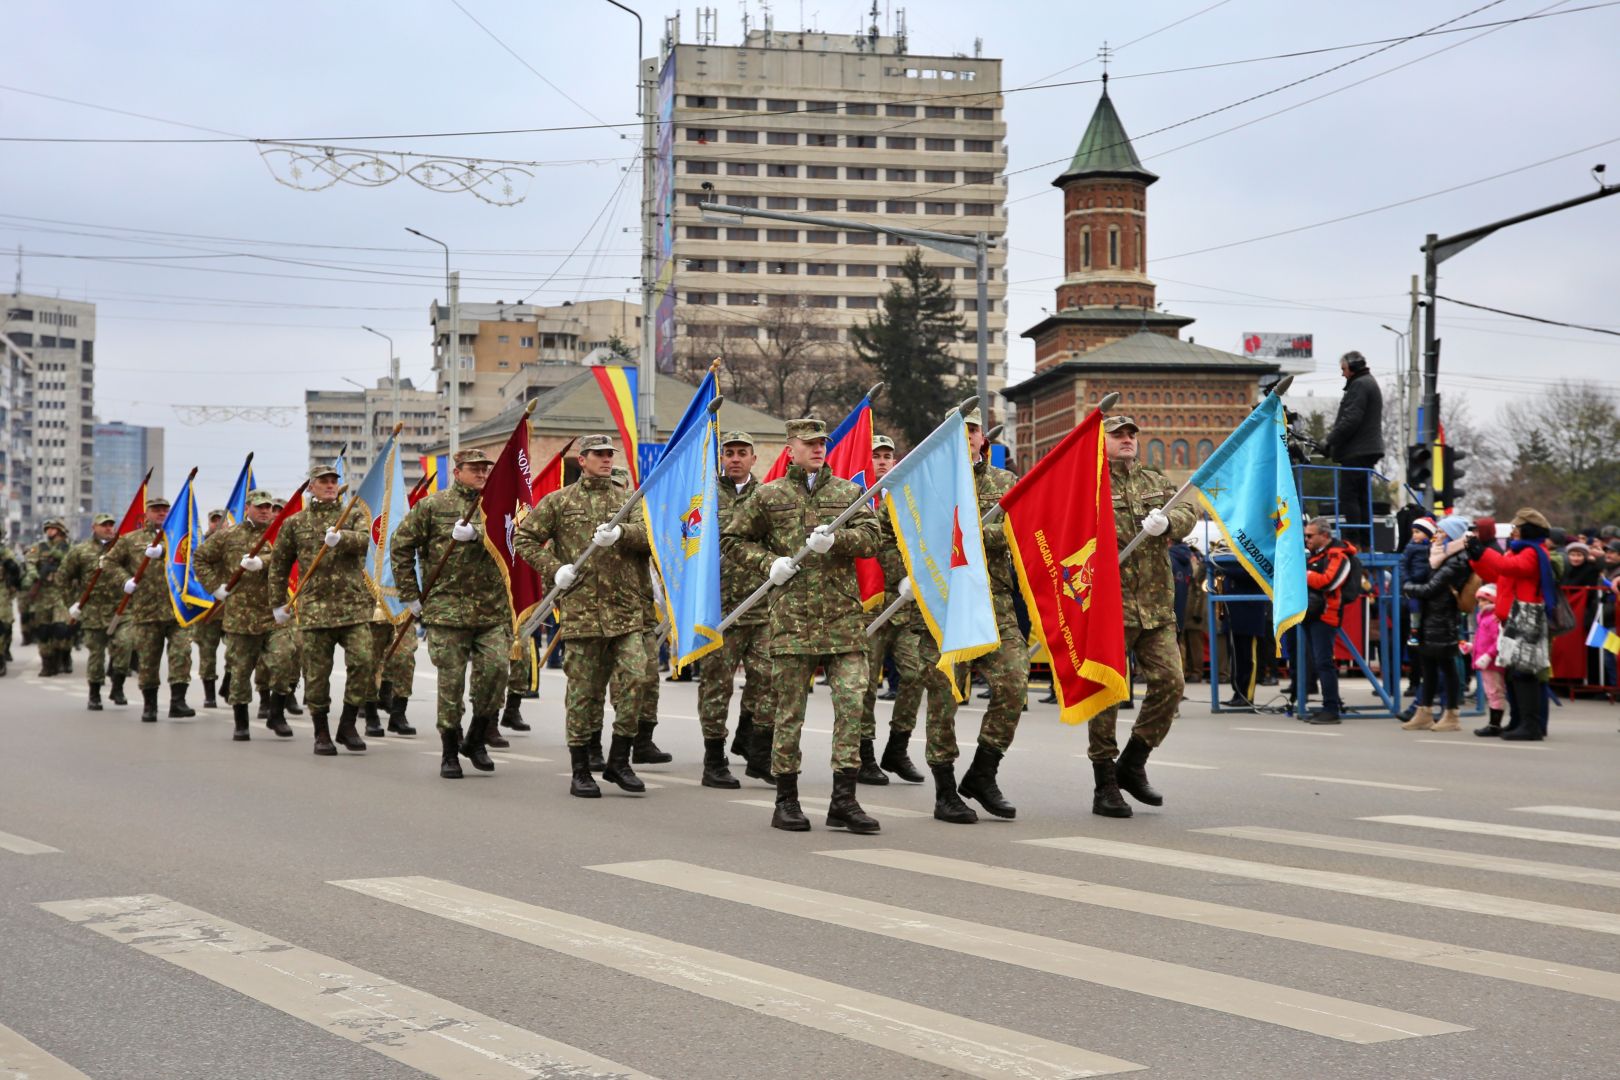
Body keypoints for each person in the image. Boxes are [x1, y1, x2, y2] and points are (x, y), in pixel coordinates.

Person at [722, 417, 883, 833]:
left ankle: (844, 800)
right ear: (789, 449)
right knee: (788, 713)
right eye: (808, 443)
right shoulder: (769, 495)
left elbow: (873, 537)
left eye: (821, 442)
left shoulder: (847, 493)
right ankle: (786, 800)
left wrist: (837, 541)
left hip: (843, 620)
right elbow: (733, 540)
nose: (817, 448)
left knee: (852, 705)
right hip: (792, 620)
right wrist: (768, 563)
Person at [514, 434, 655, 798]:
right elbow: (524, 538)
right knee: (583, 694)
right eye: (598, 454)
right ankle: (580, 769)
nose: (606, 459)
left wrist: (622, 532)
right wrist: (555, 568)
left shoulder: (628, 500)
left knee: (636, 680)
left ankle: (619, 760)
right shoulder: (560, 501)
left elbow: (648, 537)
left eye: (609, 454)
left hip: (626, 612)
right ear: (583, 459)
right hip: (582, 613)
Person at [910, 410, 1027, 824]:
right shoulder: (927, 484)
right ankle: (945, 791)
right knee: (943, 697)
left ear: (983, 439)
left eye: (973, 429)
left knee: (1014, 683)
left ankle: (983, 772)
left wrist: (967, 535)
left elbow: (1018, 530)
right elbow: (905, 532)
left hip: (994, 603)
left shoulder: (1005, 483)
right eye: (959, 431)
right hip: (945, 605)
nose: (967, 436)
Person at [1087, 415, 1200, 818]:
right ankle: (1104, 782)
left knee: (1171, 682)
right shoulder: (1090, 484)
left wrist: (1169, 522)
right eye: (1117, 434)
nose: (1127, 439)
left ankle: (1133, 762)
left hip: (1155, 607)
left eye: (1131, 434)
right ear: (1101, 442)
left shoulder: (1154, 480)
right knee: (1108, 695)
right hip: (1109, 607)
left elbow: (1188, 510)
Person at [392, 448, 511, 779]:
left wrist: (479, 535)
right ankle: (449, 750)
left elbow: (515, 541)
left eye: (485, 469)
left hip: (491, 608)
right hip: (446, 609)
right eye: (475, 469)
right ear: (457, 472)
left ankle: (476, 738)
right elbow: (400, 545)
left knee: (496, 671)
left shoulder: (499, 505)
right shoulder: (433, 506)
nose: (482, 474)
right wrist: (410, 595)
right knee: (451, 683)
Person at [269, 464, 376, 756]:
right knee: (316, 674)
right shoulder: (295, 523)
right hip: (315, 608)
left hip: (353, 606)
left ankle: (348, 724)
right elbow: (279, 564)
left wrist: (343, 539)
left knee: (364, 661)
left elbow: (367, 541)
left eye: (333, 481)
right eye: (323, 481)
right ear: (311, 487)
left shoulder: (352, 514)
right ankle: (321, 732)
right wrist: (277, 603)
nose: (330, 485)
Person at [193, 489, 295, 741]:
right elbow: (201, 557)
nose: (265, 511)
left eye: (268, 507)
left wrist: (264, 561)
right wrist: (214, 587)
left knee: (284, 661)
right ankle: (241, 722)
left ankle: (276, 714)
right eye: (259, 506)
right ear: (247, 507)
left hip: (274, 613)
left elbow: (292, 558)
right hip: (241, 616)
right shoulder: (228, 535)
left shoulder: (281, 533)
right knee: (240, 672)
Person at [698, 431, 769, 788]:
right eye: (729, 453)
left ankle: (750, 739)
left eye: (743, 453)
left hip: (761, 605)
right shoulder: (705, 496)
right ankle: (714, 760)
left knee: (768, 678)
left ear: (754, 458)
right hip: (719, 608)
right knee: (717, 685)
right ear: (721, 458)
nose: (736, 458)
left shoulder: (768, 496)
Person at [860, 433, 926, 786]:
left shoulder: (906, 497)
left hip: (904, 605)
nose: (882, 461)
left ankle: (897, 748)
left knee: (915, 674)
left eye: (887, 456)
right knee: (865, 683)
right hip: (868, 607)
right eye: (876, 456)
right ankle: (863, 753)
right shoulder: (855, 497)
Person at [1465, 507, 1554, 741]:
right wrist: (1476, 558)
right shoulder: (1519, 550)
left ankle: (1530, 725)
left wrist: (1483, 552)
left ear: (1528, 530)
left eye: (1517, 527)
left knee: (1524, 674)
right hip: (1514, 617)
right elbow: (1498, 574)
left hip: (1526, 616)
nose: (1513, 531)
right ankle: (1518, 721)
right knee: (1514, 674)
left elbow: (1508, 568)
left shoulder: (1532, 552)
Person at [107, 496, 195, 722]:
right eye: (156, 510)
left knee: (181, 653)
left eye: (165, 510)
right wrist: (124, 580)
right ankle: (150, 705)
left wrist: (165, 551)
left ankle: (178, 701)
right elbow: (108, 562)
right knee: (148, 661)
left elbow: (195, 558)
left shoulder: (181, 538)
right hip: (146, 610)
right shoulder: (131, 539)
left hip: (177, 609)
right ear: (146, 513)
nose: (161, 513)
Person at [1400, 517, 1472, 733]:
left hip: (1443, 621)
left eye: (1441, 532)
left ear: (1452, 535)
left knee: (1447, 668)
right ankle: (1424, 712)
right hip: (1429, 619)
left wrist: (1408, 587)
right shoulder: (1437, 556)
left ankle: (1451, 714)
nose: (1436, 535)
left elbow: (1431, 588)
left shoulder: (1457, 560)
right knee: (1428, 667)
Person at [60, 513, 132, 710]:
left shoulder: (122, 548)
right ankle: (94, 694)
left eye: (111, 525)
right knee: (96, 654)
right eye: (104, 525)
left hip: (120, 610)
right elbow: (63, 577)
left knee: (125, 645)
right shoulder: (81, 551)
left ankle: (118, 686)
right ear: (94, 527)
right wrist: (72, 604)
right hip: (93, 611)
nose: (108, 528)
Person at [1320, 351, 1384, 549]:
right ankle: (1364, 541)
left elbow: (1351, 420)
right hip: (1366, 449)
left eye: (1344, 369)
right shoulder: (1368, 382)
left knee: (1349, 496)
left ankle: (1353, 540)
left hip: (1357, 451)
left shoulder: (1359, 385)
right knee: (1362, 498)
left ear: (1353, 368)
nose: (1342, 374)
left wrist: (1329, 441)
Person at [1299, 517, 1359, 725]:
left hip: (1325, 615)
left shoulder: (1338, 555)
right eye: (1305, 535)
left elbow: (1328, 582)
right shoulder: (1318, 555)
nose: (1306, 539)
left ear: (1324, 535)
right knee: (1319, 663)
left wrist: (1304, 574)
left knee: (1324, 664)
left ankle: (1331, 709)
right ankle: (1329, 706)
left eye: (1310, 535)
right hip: (1311, 613)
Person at [23, 520, 74, 677]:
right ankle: (47, 663)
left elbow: (75, 565)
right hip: (43, 594)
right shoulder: (39, 547)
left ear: (60, 531)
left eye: (53, 529)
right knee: (43, 631)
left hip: (62, 594)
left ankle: (61, 657)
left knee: (60, 629)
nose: (50, 531)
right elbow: (30, 562)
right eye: (48, 529)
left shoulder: (68, 548)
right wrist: (34, 574)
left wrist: (62, 559)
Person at [193, 508, 229, 708]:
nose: (218, 524)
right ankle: (210, 695)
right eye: (215, 521)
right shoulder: (200, 545)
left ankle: (228, 683)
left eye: (222, 520)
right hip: (207, 608)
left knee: (236, 652)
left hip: (232, 609)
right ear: (209, 523)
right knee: (207, 654)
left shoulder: (235, 542)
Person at [1468, 582, 1509, 735]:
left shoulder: (1492, 619)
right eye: (1479, 600)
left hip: (1491, 663)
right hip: (1487, 662)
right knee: (1492, 691)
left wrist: (1488, 655)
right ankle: (1494, 723)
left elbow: (1497, 641)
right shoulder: (1484, 617)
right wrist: (1471, 647)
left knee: (1494, 692)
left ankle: (1494, 725)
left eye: (1484, 600)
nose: (1480, 603)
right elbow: (1482, 640)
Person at [0, 541, 19, 677]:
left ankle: (1, 656)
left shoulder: (5, 553)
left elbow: (16, 570)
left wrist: (10, 566)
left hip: (2, 593)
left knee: (3, 626)